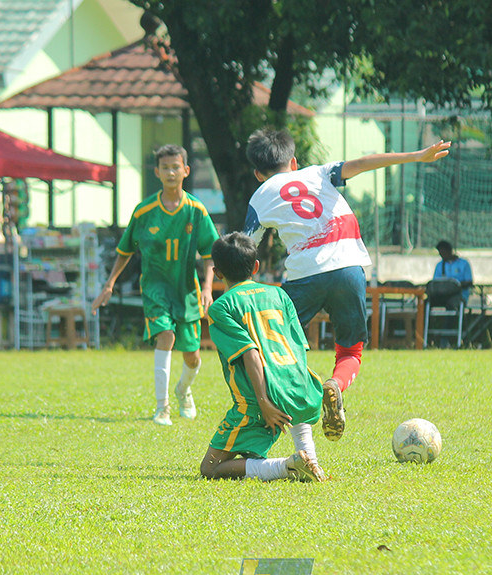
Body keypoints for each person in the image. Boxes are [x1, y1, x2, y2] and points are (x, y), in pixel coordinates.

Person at [244, 127, 451, 442]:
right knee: (351, 349)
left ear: (258, 173)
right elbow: (365, 161)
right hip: (349, 267)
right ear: (294, 162)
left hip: (304, 274)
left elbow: (244, 249)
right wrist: (416, 156)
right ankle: (335, 385)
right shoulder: (319, 173)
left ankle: (287, 406)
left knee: (280, 345)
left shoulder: (260, 197)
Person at [91, 144, 219, 426]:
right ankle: (163, 408)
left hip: (186, 291)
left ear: (185, 171)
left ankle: (183, 390)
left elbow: (210, 254)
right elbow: (124, 251)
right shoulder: (144, 211)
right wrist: (109, 284)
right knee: (166, 337)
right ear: (157, 172)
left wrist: (208, 288)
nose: (171, 172)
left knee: (193, 357)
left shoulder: (196, 211)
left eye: (176, 167)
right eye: (165, 168)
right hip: (155, 290)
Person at [199, 232, 326, 483]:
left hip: (258, 403)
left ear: (218, 272)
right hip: (301, 389)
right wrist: (294, 387)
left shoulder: (221, 308)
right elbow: (299, 346)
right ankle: (308, 456)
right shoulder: (279, 295)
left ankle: (286, 466)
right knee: (247, 451)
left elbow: (250, 353)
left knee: (210, 468)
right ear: (256, 266)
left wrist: (265, 401)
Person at [431, 240, 473, 310]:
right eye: (440, 253)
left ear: (450, 251)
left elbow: (469, 282)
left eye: (444, 252)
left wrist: (455, 285)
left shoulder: (464, 263)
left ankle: (453, 320)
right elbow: (436, 282)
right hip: (443, 296)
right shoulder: (439, 265)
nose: (442, 255)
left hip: (459, 296)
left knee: (451, 304)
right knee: (425, 302)